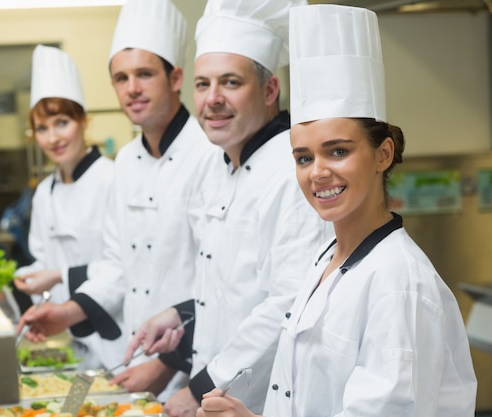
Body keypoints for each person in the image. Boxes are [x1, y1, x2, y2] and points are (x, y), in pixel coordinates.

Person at [196, 5, 478, 417]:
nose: (319, 172)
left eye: (339, 151)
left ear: (383, 154)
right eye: (303, 157)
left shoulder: (397, 284)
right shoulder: (327, 259)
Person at [119, 1, 332, 416]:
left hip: (258, 401)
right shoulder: (218, 168)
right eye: (202, 85)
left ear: (270, 91)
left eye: (230, 83)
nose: (212, 99)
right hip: (218, 395)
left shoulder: (294, 171)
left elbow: (288, 305)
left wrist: (200, 388)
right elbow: (228, 290)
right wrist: (179, 316)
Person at [16, 0, 216, 398]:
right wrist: (66, 313)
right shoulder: (126, 161)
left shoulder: (209, 154)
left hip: (195, 365)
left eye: (144, 74)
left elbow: (221, 285)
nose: (132, 89)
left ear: (175, 78)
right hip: (130, 354)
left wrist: (167, 365)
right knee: (72, 405)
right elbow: (116, 263)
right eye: (121, 78)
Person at [12, 44, 115, 369]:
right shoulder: (45, 192)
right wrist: (22, 280)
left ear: (84, 121)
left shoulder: (112, 179)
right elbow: (44, 259)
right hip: (71, 340)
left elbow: (125, 267)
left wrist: (56, 277)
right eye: (42, 128)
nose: (52, 137)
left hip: (118, 335)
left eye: (62, 122)